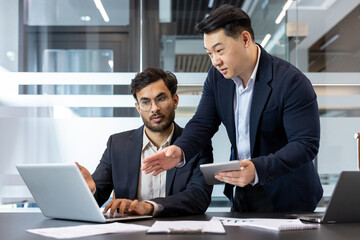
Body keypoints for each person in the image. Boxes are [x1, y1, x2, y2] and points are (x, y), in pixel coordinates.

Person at [141, 4, 323, 212]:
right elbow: (203, 122)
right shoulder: (217, 78)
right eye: (209, 53)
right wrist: (180, 150)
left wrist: (257, 169)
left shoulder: (291, 81)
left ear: (245, 39)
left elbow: (305, 144)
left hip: (288, 194)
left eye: (219, 50)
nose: (215, 61)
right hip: (242, 192)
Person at [77, 67, 213, 217]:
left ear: (175, 101)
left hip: (176, 232)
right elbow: (97, 196)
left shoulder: (196, 144)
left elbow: (199, 197)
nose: (154, 108)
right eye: (146, 102)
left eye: (161, 99)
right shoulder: (117, 144)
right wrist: (90, 192)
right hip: (129, 232)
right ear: (138, 107)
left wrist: (149, 207)